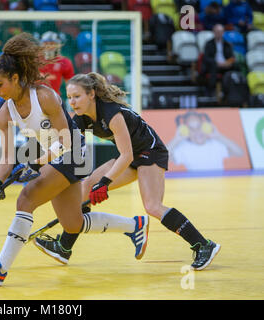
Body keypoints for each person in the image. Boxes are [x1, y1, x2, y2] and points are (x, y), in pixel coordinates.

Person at [0, 33, 149, 286]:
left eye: (0, 84)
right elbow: (7, 156)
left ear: (16, 78)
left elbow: (66, 140)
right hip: (55, 158)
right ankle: (134, 225)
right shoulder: (4, 113)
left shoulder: (44, 96)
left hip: (73, 153)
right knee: (72, 223)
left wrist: (38, 162)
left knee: (26, 198)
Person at [34, 72, 221, 272]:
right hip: (131, 156)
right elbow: (65, 145)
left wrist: (104, 182)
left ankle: (203, 245)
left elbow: (126, 155)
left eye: (77, 96)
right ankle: (64, 247)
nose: (72, 102)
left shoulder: (112, 113)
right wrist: (39, 164)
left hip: (150, 153)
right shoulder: (80, 118)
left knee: (152, 206)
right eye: (69, 97)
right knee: (87, 186)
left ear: (91, 94)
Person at [0, 31, 75, 113]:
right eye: (46, 43)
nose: (49, 46)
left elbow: (70, 85)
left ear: (58, 45)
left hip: (54, 99)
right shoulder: (33, 59)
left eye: (52, 44)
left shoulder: (65, 62)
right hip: (32, 99)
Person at [167, 111, 243, 171]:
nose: (197, 132)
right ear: (186, 131)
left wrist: (219, 136)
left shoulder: (216, 144)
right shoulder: (184, 148)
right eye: (192, 129)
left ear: (205, 127)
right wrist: (177, 139)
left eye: (199, 126)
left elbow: (239, 152)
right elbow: (162, 157)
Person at [202, 23, 236, 96]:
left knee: (236, 66)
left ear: (223, 33)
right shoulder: (209, 43)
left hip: (225, 65)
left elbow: (232, 57)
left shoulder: (227, 44)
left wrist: (228, 63)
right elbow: (206, 58)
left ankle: (232, 91)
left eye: (220, 32)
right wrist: (217, 63)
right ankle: (212, 91)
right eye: (217, 32)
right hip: (214, 65)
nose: (218, 33)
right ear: (213, 32)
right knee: (213, 67)